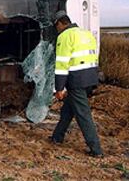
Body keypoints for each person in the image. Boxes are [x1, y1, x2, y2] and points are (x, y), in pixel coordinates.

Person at [50, 10, 103, 157]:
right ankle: (57, 137)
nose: (57, 30)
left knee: (83, 114)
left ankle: (96, 150)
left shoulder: (65, 36)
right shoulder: (85, 33)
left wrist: (59, 88)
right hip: (91, 78)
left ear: (60, 23)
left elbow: (61, 64)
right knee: (68, 110)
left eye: (56, 27)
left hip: (77, 81)